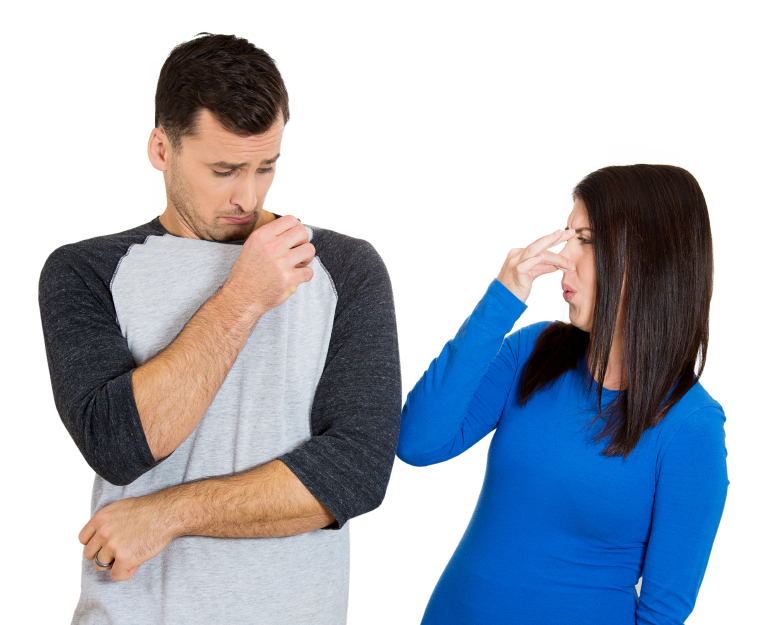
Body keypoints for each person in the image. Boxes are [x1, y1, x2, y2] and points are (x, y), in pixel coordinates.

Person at [39, 33, 401, 625]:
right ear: (161, 148)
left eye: (266, 166)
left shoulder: (347, 267)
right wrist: (242, 298)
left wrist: (166, 514)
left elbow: (356, 472)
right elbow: (117, 444)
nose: (248, 195)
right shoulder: (84, 271)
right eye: (224, 169)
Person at [397, 164, 728, 624]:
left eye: (585, 240)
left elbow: (661, 613)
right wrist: (501, 300)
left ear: (647, 257)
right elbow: (417, 442)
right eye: (568, 235)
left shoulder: (691, 426)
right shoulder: (532, 351)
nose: (563, 256)